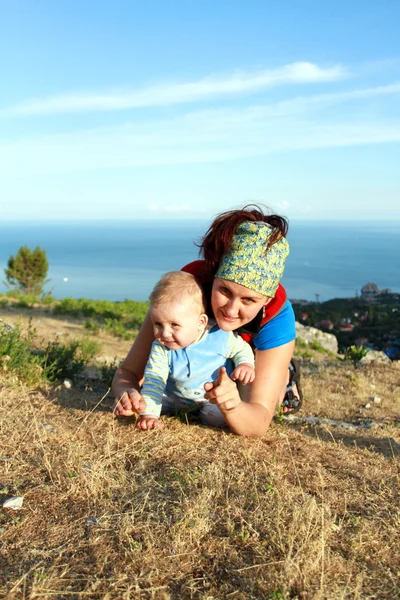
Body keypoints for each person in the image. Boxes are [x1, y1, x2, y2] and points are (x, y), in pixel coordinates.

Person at [113, 205, 303, 437]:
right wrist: (127, 392)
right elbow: (130, 371)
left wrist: (231, 404)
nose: (231, 309)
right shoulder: (187, 289)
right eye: (224, 290)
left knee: (256, 392)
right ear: (213, 278)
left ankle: (285, 376)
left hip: (246, 359)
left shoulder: (278, 317)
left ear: (266, 300)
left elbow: (257, 424)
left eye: (249, 299)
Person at [137, 271, 255, 430]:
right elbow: (155, 378)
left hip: (210, 397)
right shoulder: (161, 347)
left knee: (217, 418)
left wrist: (245, 364)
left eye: (174, 325)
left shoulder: (220, 336)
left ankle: (202, 413)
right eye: (158, 324)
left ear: (201, 322)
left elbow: (241, 349)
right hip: (175, 396)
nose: (164, 333)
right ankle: (165, 410)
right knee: (145, 401)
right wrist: (150, 415)